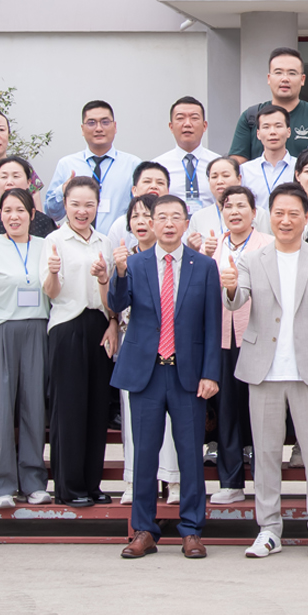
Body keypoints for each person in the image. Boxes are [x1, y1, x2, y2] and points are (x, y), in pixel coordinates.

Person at [222, 183, 308, 559]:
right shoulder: (251, 260)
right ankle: (268, 529)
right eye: (279, 213)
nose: (286, 220)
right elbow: (238, 301)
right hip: (263, 370)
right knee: (265, 453)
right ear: (270, 216)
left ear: (306, 217)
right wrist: (231, 289)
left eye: (294, 213)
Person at [110, 194, 222, 559]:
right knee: (144, 455)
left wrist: (210, 373)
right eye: (162, 217)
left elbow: (212, 324)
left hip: (187, 374)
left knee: (190, 455)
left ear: (186, 223)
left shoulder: (203, 266)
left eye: (176, 217)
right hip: (146, 372)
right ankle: (143, 530)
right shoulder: (135, 263)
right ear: (150, 223)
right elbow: (117, 303)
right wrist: (119, 272)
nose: (169, 223)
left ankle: (192, 530)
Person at [40, 176, 117, 507]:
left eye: (89, 205)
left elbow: (109, 295)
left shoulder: (104, 242)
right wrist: (53, 272)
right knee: (69, 408)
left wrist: (112, 320)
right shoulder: (54, 240)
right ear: (65, 205)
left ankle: (92, 482)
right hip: (67, 325)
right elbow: (51, 292)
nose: (82, 211)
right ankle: (69, 487)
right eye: (75, 204)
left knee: (97, 408)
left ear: (97, 206)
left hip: (99, 324)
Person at [0, 187, 53, 509]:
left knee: (34, 408)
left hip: (37, 329)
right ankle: (2, 486)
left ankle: (34, 482)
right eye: (7, 211)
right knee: (0, 411)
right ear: (0, 215)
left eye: (20, 210)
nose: (14, 216)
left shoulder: (47, 245)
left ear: (32, 214)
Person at [111, 195, 179, 506]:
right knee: (134, 424)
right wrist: (117, 272)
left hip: (173, 351)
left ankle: (173, 480)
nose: (141, 221)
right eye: (135, 216)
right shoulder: (129, 261)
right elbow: (116, 302)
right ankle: (134, 481)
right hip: (137, 351)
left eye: (146, 215)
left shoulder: (182, 260)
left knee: (173, 425)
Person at [208, 186, 258, 506]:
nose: (235, 211)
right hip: (221, 338)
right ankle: (230, 481)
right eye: (228, 206)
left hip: (257, 337)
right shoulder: (212, 247)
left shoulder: (266, 245)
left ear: (254, 212)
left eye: (242, 205)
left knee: (259, 412)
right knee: (226, 409)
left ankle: (265, 481)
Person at [45, 100, 141, 234]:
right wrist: (63, 190)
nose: (99, 128)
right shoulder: (66, 164)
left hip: (119, 243)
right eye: (91, 123)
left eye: (105, 122)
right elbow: (51, 214)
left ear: (115, 127)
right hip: (76, 243)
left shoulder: (133, 165)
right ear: (82, 129)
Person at [229, 46, 308, 159]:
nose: (285, 79)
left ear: (302, 79)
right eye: (278, 72)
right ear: (269, 78)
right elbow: (238, 161)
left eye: (292, 73)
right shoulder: (251, 116)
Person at [155, 96, 222, 212]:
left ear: (204, 126)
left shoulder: (219, 164)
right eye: (180, 118)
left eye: (194, 118)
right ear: (171, 127)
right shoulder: (158, 166)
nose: (187, 124)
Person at [0, 156, 57, 239]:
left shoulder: (44, 222)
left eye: (16, 176)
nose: (9, 182)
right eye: (4, 177)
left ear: (28, 183)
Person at [239, 104, 297, 214]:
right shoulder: (245, 170)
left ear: (288, 132)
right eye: (266, 127)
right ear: (258, 134)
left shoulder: (300, 168)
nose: (272, 132)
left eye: (278, 126)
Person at [105, 162, 172, 250]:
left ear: (167, 192)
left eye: (160, 183)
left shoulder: (176, 222)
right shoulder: (120, 225)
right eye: (147, 181)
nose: (154, 186)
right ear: (134, 190)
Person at [188, 155, 244, 243]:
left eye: (225, 176)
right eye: (214, 177)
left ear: (239, 179)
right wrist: (194, 248)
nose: (219, 181)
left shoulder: (256, 214)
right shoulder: (198, 217)